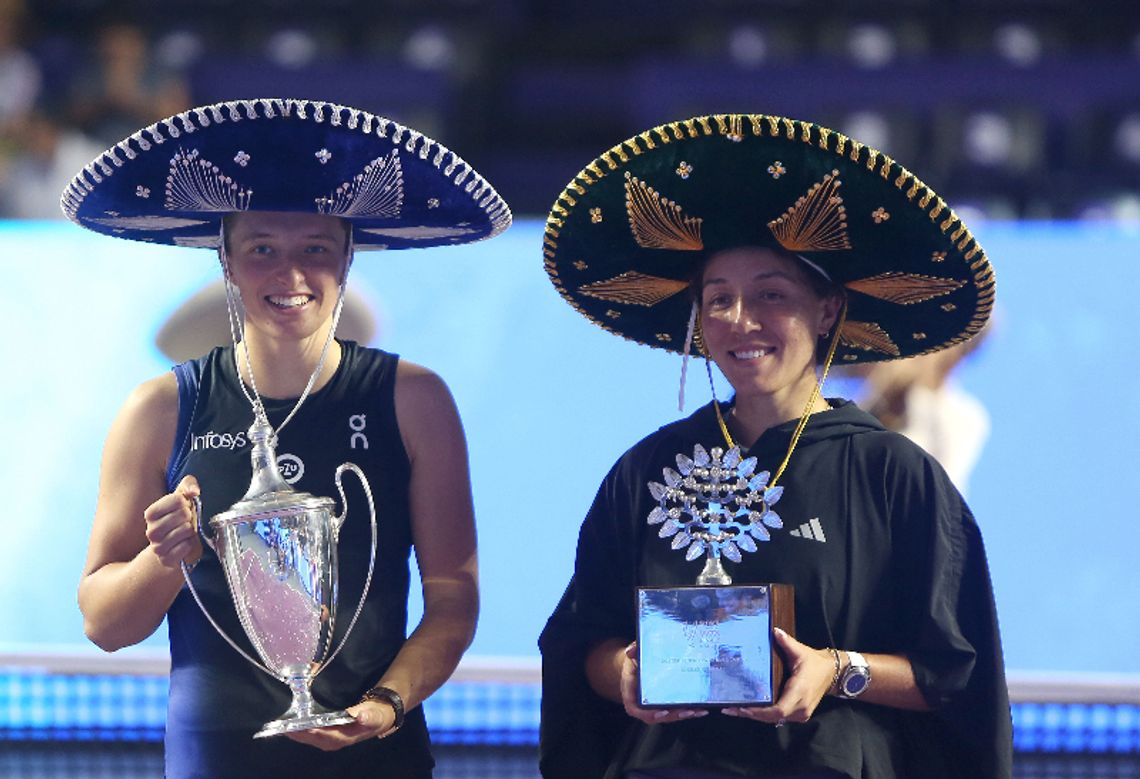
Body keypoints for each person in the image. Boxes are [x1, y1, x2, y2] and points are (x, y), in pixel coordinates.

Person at [538, 114, 1011, 778]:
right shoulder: (645, 471)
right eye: (719, 299)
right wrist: (622, 671)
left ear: (826, 310)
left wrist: (839, 670)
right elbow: (580, 639)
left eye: (771, 295)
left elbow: (955, 674)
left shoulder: (894, 474)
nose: (741, 320)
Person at [68, 97, 511, 778]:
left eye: (315, 250)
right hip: (214, 760)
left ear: (347, 258)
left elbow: (453, 598)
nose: (291, 275)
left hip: (380, 758)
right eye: (263, 249)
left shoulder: (414, 400)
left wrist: (387, 705)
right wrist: (165, 558)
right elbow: (105, 624)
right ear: (227, 259)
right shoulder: (159, 408)